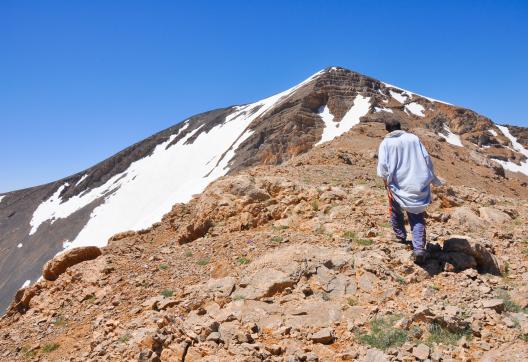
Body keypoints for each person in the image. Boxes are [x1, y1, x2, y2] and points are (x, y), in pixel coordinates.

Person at [376, 117, 443, 264]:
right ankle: (419, 249)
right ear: (400, 126)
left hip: (396, 184)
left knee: (395, 210)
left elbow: (383, 166)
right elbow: (426, 158)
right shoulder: (413, 138)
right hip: (416, 182)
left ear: (387, 130)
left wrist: (385, 182)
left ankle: (400, 236)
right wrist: (431, 177)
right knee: (416, 215)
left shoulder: (386, 143)